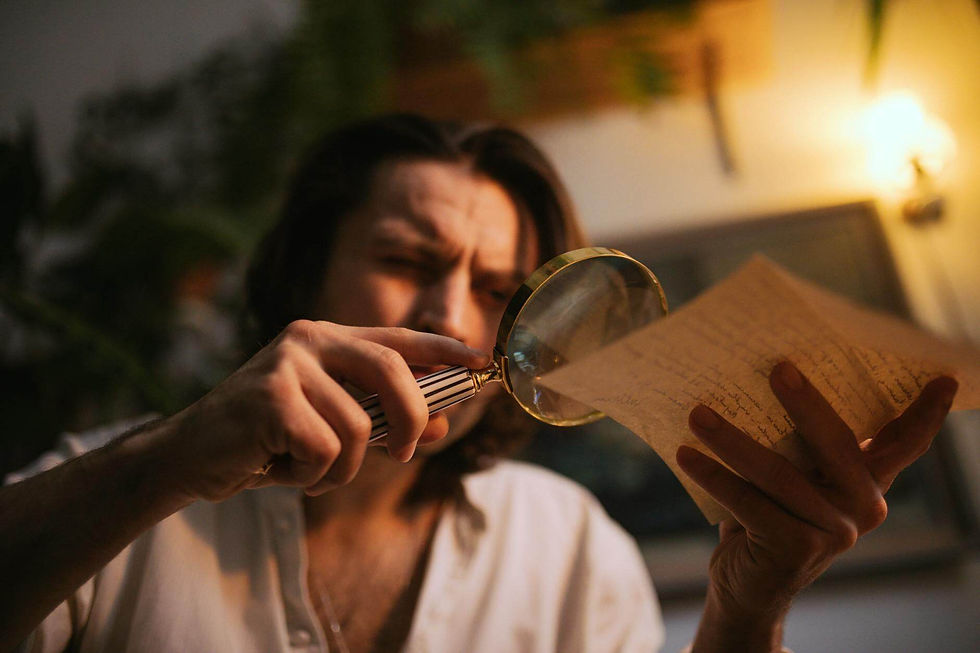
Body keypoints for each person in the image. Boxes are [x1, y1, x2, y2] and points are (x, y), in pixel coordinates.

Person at [0, 114, 958, 653]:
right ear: (302, 274)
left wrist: (750, 613)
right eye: (407, 254)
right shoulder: (119, 495)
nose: (451, 317)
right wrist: (164, 460)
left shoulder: (571, 547)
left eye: (502, 290)